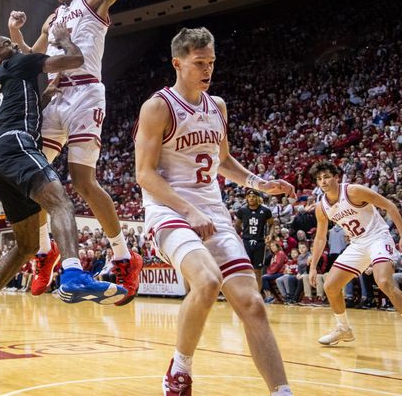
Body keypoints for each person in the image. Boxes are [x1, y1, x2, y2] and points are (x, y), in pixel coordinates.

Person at [134, 27, 294, 396]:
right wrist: (188, 211)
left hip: (212, 211)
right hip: (169, 210)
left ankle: (281, 391)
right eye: (199, 63)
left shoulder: (216, 105)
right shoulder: (158, 106)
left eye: (211, 62)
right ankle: (180, 368)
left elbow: (222, 160)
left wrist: (257, 182)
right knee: (206, 282)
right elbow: (144, 174)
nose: (207, 70)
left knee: (252, 304)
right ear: (178, 63)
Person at [0, 25, 128, 354]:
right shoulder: (18, 64)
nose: (14, 45)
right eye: (6, 43)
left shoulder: (1, 82)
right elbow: (75, 59)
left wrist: (50, 89)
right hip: (20, 145)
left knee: (26, 245)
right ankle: (74, 273)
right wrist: (61, 38)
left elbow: (32, 101)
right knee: (61, 204)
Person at [7, 0, 144, 304]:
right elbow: (33, 58)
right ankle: (46, 250)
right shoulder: (53, 18)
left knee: (83, 182)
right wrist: (18, 34)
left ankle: (123, 255)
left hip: (85, 94)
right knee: (33, 179)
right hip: (54, 97)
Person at [308, 160, 402, 345]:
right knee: (330, 286)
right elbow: (320, 238)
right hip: (357, 244)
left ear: (336, 177)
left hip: (378, 238)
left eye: (327, 176)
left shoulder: (353, 191)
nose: (323, 181)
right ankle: (343, 329)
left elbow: (389, 205)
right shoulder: (321, 207)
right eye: (319, 179)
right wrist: (312, 267)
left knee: (383, 281)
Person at [234, 188, 274, 284]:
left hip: (260, 243)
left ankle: (258, 295)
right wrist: (236, 236)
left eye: (253, 197)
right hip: (246, 242)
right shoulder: (242, 210)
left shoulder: (265, 211)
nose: (251, 198)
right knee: (245, 269)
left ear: (258, 198)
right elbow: (237, 225)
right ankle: (246, 294)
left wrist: (270, 234)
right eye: (249, 197)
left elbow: (272, 224)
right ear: (247, 198)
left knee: (257, 271)